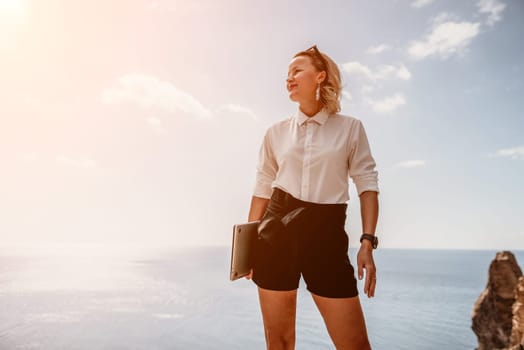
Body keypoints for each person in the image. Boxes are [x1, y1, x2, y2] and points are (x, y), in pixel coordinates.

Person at [245, 45, 380, 350]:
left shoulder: (350, 128)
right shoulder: (275, 133)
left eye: (297, 71)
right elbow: (263, 187)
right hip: (275, 234)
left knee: (355, 345)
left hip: (326, 236)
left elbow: (367, 184)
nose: (289, 79)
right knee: (279, 344)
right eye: (287, 74)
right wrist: (247, 245)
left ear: (320, 76)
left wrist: (367, 241)